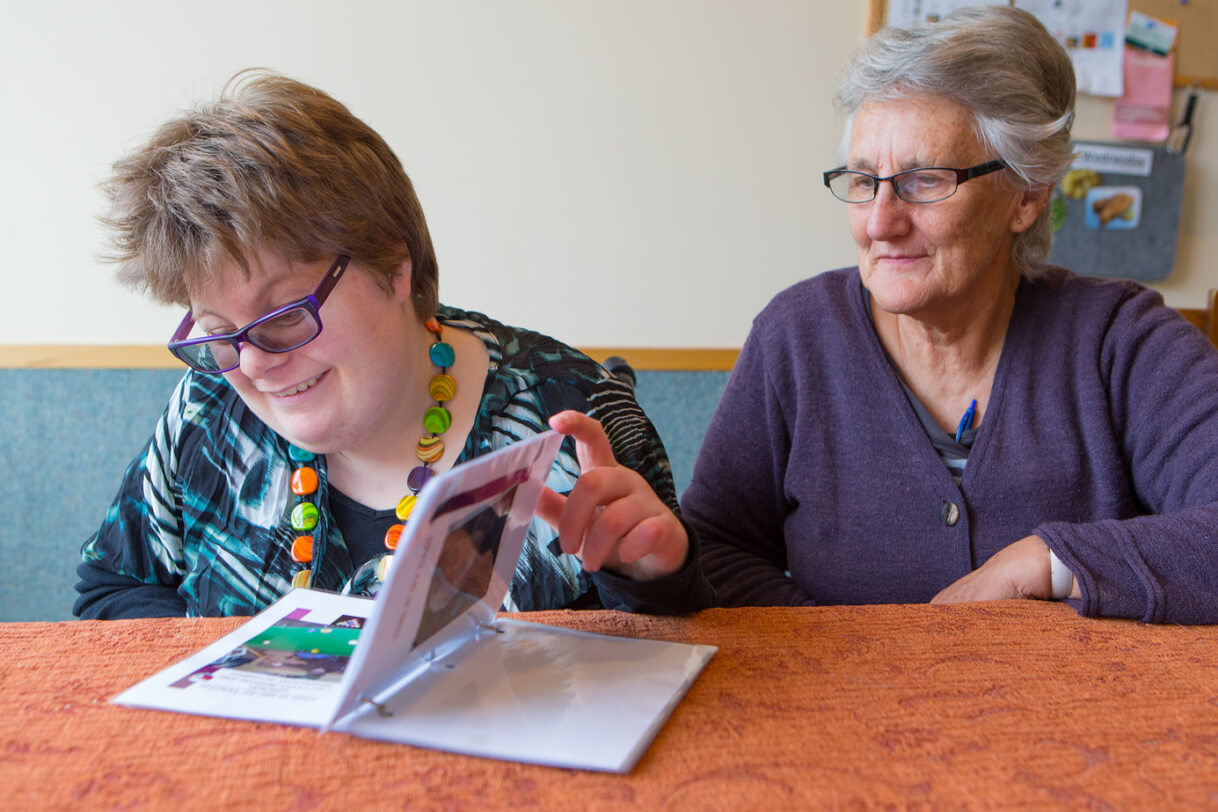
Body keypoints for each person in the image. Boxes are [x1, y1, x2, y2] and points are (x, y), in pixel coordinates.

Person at [74, 70, 708, 619]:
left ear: (393, 266)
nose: (255, 362)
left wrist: (651, 580)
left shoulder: (572, 417)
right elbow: (113, 586)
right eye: (217, 332)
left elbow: (681, 643)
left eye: (286, 313)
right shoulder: (208, 409)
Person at [680, 5, 1218, 624]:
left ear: (1027, 195)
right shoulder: (797, 337)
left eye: (924, 180)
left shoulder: (1120, 341)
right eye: (863, 179)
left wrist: (1050, 562)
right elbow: (714, 548)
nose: (880, 222)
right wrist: (845, 652)